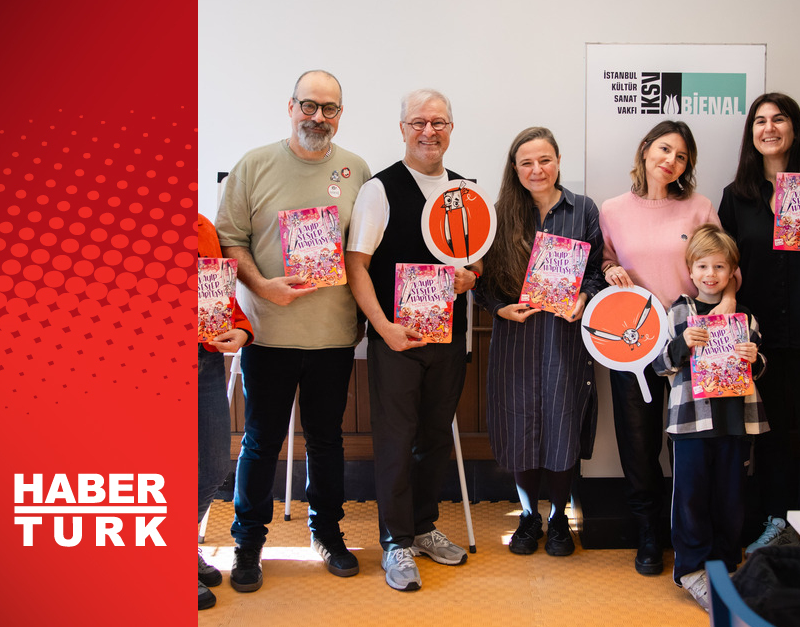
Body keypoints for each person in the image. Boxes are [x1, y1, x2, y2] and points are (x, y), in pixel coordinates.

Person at [215, 69, 371, 592]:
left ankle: (327, 532)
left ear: (340, 114)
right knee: (260, 442)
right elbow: (228, 239)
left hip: (332, 336)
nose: (318, 118)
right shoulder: (254, 165)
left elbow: (366, 252)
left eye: (329, 109)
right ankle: (248, 542)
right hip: (269, 334)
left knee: (328, 442)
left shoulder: (357, 170)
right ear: (291, 106)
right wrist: (262, 286)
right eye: (309, 106)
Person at [346, 89, 476, 592]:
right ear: (402, 128)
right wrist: (383, 329)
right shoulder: (379, 190)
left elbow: (476, 259)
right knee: (397, 441)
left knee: (435, 439)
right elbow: (356, 265)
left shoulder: (465, 190)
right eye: (419, 122)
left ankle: (422, 527)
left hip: (448, 337)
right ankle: (396, 541)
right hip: (395, 338)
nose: (429, 131)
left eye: (439, 122)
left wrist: (470, 276)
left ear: (450, 128)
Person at [599, 120, 737, 575]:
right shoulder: (612, 209)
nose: (670, 161)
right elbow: (606, 259)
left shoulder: (700, 207)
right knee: (637, 443)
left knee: (689, 446)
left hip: (693, 342)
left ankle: (689, 536)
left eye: (681, 156)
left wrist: (729, 305)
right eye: (663, 149)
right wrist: (609, 269)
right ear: (644, 150)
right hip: (632, 342)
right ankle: (648, 535)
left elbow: (726, 266)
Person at [474, 127, 605, 557]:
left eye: (544, 160)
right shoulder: (497, 214)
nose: (537, 169)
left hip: (565, 338)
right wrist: (499, 309)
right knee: (521, 428)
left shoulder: (583, 210)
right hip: (516, 339)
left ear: (559, 160)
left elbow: (598, 271)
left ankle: (559, 517)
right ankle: (529, 516)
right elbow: (481, 284)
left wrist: (584, 297)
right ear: (515, 168)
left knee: (562, 426)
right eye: (526, 162)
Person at [717, 92, 800, 551]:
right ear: (751, 134)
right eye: (760, 121)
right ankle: (776, 522)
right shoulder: (736, 196)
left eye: (779, 119)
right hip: (757, 338)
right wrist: (727, 301)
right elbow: (725, 262)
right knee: (768, 434)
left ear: (794, 128)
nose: (769, 128)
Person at [652, 224, 766, 612]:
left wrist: (756, 360)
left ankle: (724, 564)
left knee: (731, 497)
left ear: (732, 272)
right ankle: (691, 569)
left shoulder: (745, 316)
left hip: (736, 422)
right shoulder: (679, 310)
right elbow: (660, 364)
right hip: (691, 425)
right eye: (703, 266)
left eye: (720, 267)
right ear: (690, 269)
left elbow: (761, 365)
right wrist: (683, 344)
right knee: (691, 497)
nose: (711, 275)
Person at [197, 213, 253, 610]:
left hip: (205, 364)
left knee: (213, 466)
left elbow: (218, 296)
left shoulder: (201, 226)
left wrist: (241, 328)